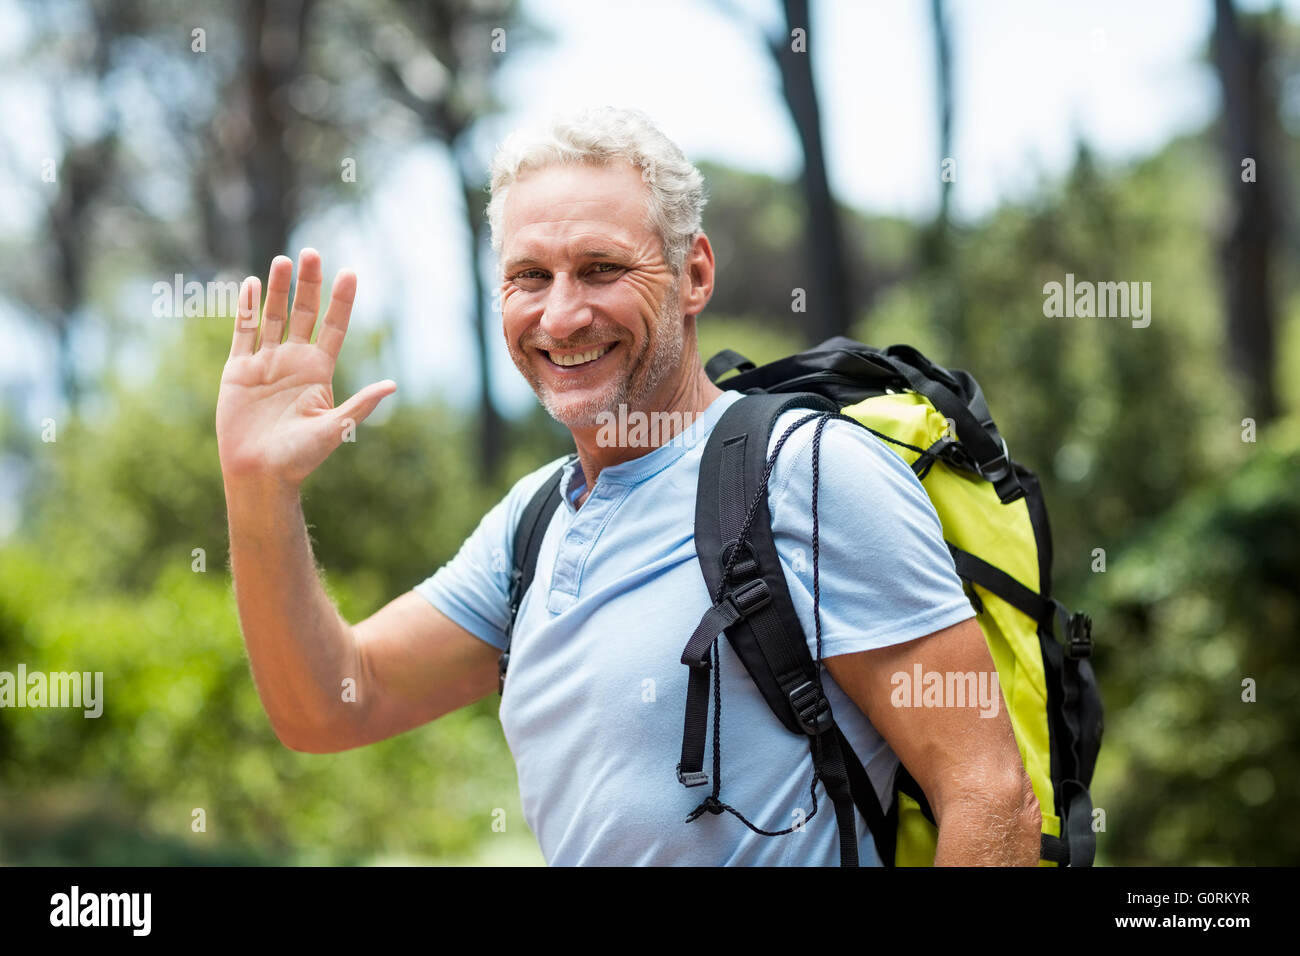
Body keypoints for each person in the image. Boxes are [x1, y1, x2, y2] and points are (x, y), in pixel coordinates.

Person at [215, 105, 1041, 866]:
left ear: (693, 274)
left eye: (601, 268)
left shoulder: (806, 473)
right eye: (529, 277)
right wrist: (259, 487)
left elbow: (988, 793)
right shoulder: (531, 527)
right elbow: (332, 705)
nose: (563, 315)